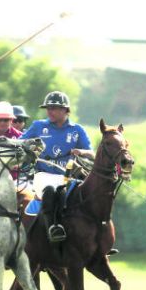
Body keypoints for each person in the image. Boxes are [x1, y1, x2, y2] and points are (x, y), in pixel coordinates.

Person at [20, 91, 94, 242]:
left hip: (68, 176)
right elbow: (21, 143)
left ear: (65, 110)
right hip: (43, 175)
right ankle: (53, 228)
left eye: (54, 108)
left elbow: (92, 153)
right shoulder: (38, 126)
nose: (49, 111)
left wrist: (81, 151)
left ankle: (96, 236)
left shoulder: (77, 130)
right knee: (51, 191)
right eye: (48, 108)